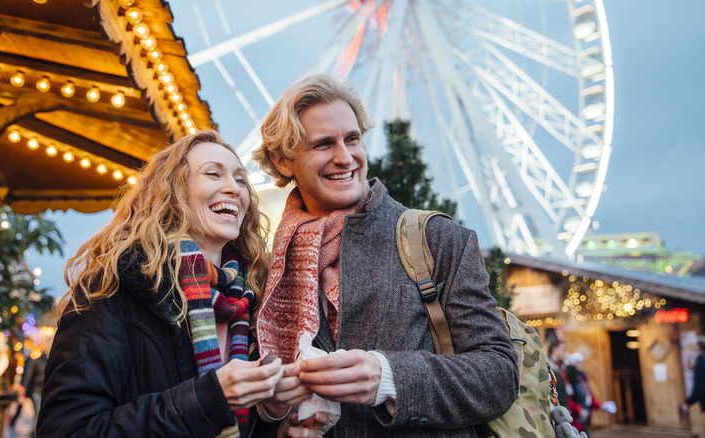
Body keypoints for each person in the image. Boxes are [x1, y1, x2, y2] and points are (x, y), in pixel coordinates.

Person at [251, 74, 518, 437]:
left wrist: (389, 377)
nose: (345, 158)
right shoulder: (269, 271)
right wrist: (277, 420)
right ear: (283, 162)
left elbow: (499, 376)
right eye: (323, 145)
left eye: (352, 139)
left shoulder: (436, 239)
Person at [38, 131, 321, 438]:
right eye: (213, 174)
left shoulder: (255, 295)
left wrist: (275, 425)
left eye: (241, 180)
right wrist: (208, 399)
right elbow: (67, 430)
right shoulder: (113, 288)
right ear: (172, 191)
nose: (233, 188)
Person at [564, 353, 616, 435]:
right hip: (573, 422)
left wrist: (602, 406)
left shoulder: (582, 378)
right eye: (577, 363)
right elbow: (567, 400)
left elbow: (588, 398)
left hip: (582, 422)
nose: (580, 365)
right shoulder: (569, 378)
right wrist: (579, 410)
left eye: (580, 362)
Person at [682, 336, 705, 425]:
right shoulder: (699, 361)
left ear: (699, 347)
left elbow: (700, 387)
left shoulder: (701, 364)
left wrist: (688, 403)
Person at [547, 337, 570, 409]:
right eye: (563, 349)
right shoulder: (547, 368)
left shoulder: (561, 368)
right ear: (554, 349)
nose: (565, 352)